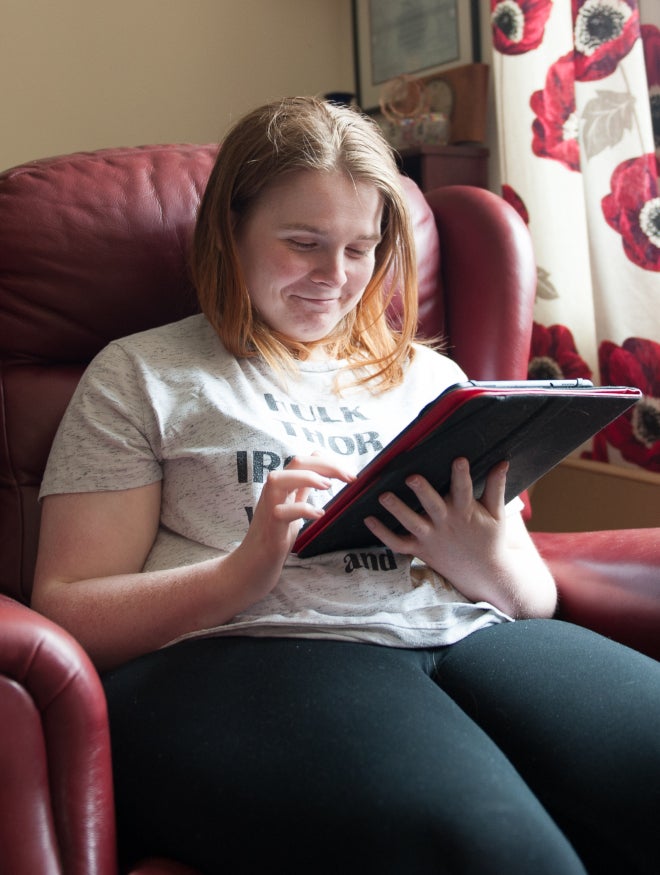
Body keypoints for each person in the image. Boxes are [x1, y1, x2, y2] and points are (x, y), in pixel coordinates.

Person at [32, 97, 660, 875]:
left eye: (362, 249)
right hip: (254, 657)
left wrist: (488, 557)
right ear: (230, 231)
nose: (336, 278)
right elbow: (68, 606)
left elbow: (532, 600)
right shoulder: (142, 374)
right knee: (501, 850)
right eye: (304, 243)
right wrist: (241, 571)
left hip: (472, 637)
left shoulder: (436, 379)